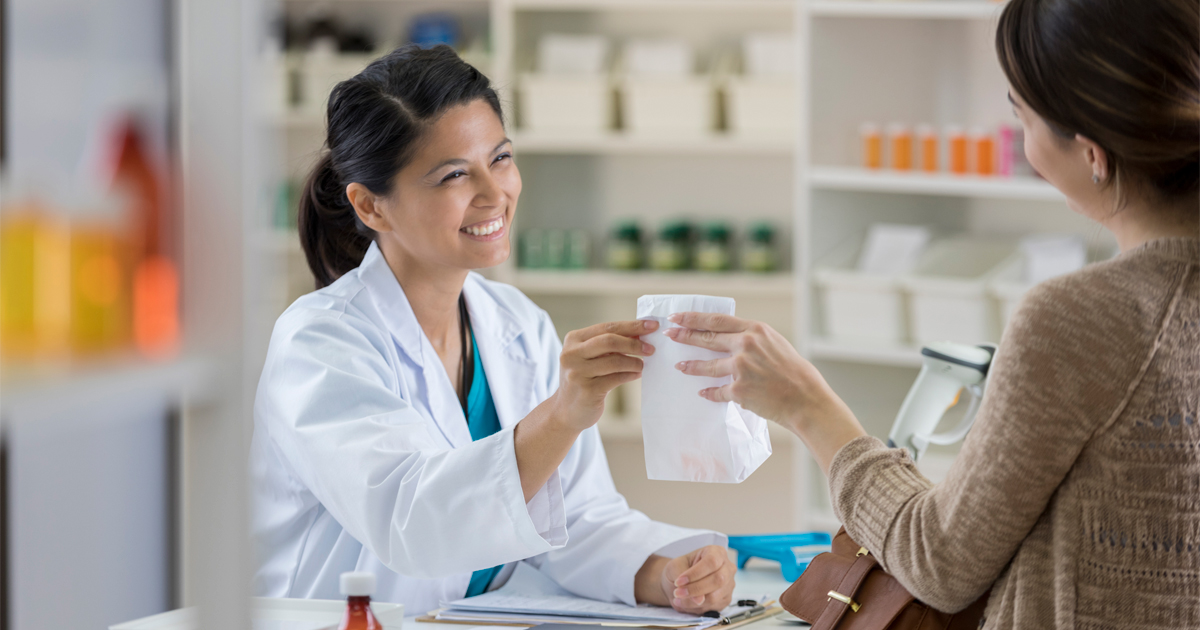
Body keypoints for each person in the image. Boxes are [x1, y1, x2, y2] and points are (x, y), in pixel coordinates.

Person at [665, 0, 1199, 627]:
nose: (1024, 144)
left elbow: (940, 561)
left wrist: (807, 406)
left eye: (1021, 116)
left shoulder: (1080, 319)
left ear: (1091, 154)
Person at [250, 45, 736, 615]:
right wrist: (561, 415)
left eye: (500, 158)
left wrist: (665, 576)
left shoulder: (516, 324)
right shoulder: (318, 345)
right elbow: (412, 521)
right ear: (371, 206)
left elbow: (571, 516)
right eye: (455, 174)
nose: (494, 194)